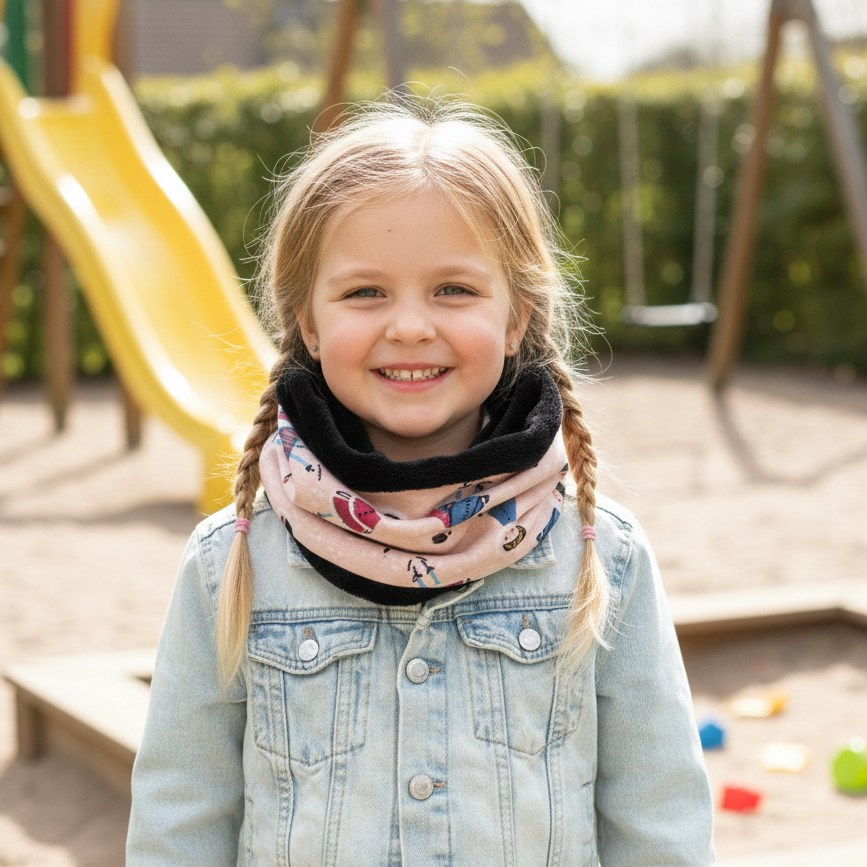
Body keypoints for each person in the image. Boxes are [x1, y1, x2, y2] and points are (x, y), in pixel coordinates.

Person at [126, 98, 714, 866]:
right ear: (307, 321)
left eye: (453, 290)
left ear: (514, 320)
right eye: (365, 292)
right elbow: (179, 825)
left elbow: (658, 824)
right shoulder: (228, 564)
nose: (409, 325)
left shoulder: (604, 558)